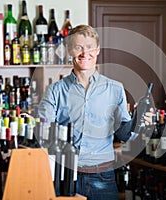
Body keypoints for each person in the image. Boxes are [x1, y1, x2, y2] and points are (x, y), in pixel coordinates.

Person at [38, 24, 153, 200]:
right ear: (69, 50)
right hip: (66, 175)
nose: (85, 53)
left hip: (103, 176)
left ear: (97, 50)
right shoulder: (55, 91)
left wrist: (139, 122)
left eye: (90, 47)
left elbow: (123, 134)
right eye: (78, 47)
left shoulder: (115, 89)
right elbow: (43, 132)